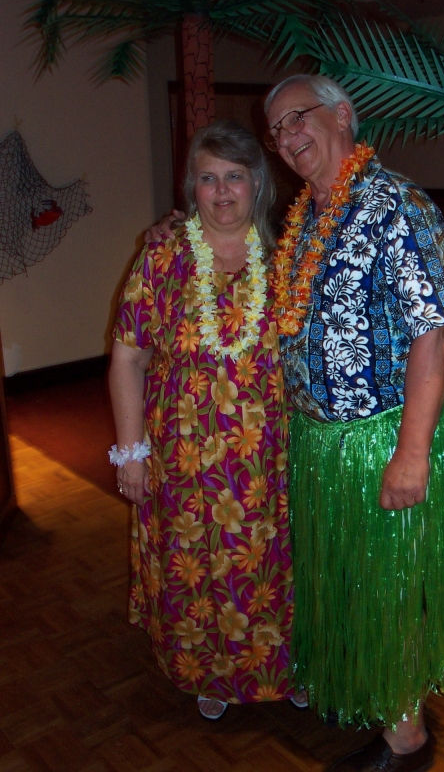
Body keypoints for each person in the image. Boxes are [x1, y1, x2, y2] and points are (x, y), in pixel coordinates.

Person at [263, 74, 444, 772]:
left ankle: (408, 742)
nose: (287, 136)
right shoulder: (307, 216)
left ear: (343, 114)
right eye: (276, 129)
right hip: (320, 440)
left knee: (390, 587)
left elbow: (433, 331)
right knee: (345, 581)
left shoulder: (396, 205)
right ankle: (375, 696)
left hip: (382, 434)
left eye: (298, 117)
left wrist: (412, 453)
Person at [108, 120, 297, 722]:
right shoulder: (162, 256)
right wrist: (131, 453)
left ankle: (288, 668)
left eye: (234, 176)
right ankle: (211, 673)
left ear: (258, 182)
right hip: (185, 457)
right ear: (192, 186)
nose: (221, 192)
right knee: (201, 568)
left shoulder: (290, 256)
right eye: (207, 178)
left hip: (274, 458)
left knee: (278, 566)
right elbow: (128, 358)